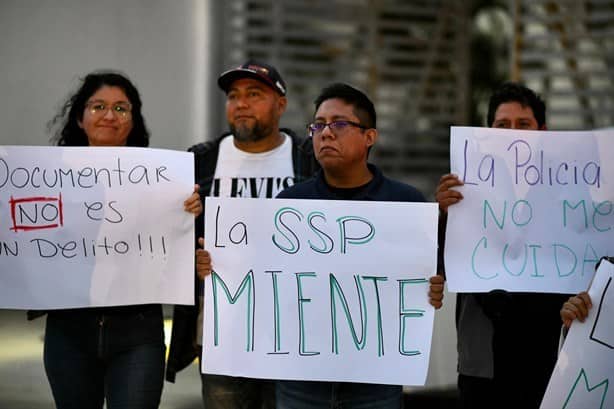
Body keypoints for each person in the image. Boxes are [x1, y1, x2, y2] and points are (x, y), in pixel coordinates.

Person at [267, 82, 444, 408]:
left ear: (370, 137)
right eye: (318, 125)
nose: (325, 133)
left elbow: (427, 281)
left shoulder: (406, 204)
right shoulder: (288, 206)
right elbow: (264, 283)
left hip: (375, 382)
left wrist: (432, 288)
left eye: (339, 124)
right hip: (301, 381)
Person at [41, 71, 202, 409]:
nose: (109, 115)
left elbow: (176, 248)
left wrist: (189, 210)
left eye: (121, 108)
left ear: (133, 120)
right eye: (98, 106)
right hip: (68, 331)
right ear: (80, 119)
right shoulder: (43, 176)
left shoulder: (164, 179)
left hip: (138, 331)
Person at [165, 60, 320, 409]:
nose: (241, 103)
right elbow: (171, 237)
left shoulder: (308, 160)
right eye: (233, 96)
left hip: (293, 327)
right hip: (223, 332)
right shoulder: (199, 162)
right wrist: (190, 256)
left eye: (254, 94)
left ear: (281, 104)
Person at [435, 82, 569, 409]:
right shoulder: (461, 191)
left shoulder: (569, 195)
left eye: (523, 125)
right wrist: (440, 215)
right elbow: (437, 265)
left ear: (543, 132)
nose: (512, 133)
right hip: (484, 362)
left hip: (549, 356)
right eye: (502, 125)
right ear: (488, 132)